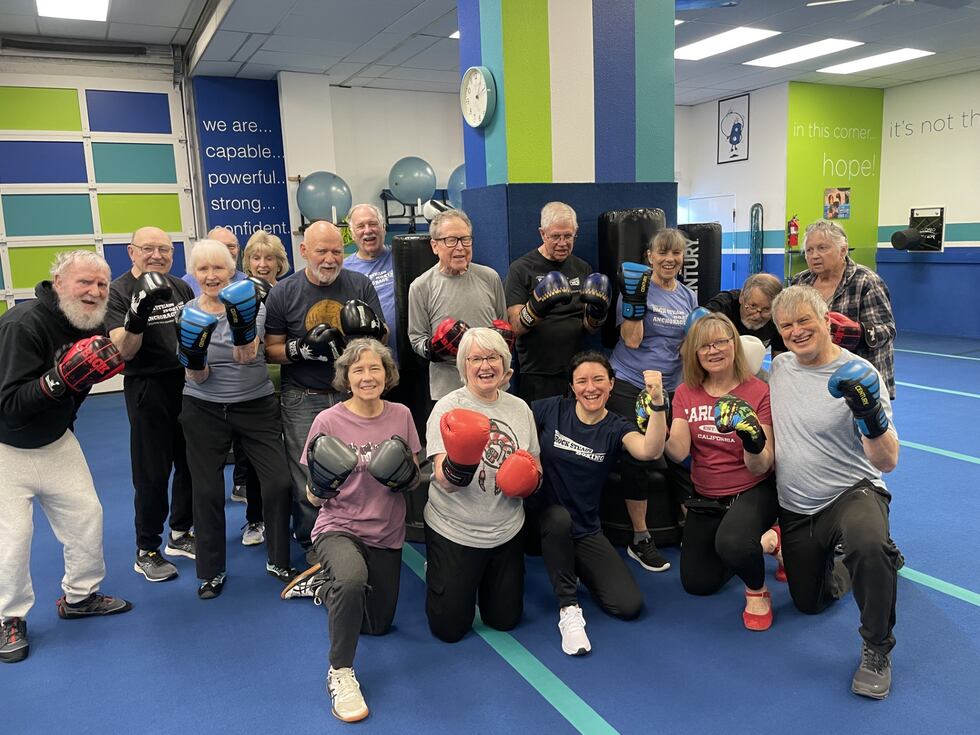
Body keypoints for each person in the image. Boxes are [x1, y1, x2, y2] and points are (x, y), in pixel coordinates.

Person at [0, 251, 133, 664]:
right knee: (13, 539)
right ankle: (8, 618)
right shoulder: (23, 325)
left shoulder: (83, 324)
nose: (94, 292)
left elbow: (72, 394)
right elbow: (8, 405)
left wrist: (65, 396)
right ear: (58, 283)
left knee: (85, 517)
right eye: (84, 283)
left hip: (56, 441)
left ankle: (80, 596)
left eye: (101, 285)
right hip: (6, 447)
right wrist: (58, 380)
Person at [769, 285, 901, 699]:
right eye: (786, 325)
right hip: (797, 505)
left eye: (805, 320)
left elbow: (887, 462)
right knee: (810, 601)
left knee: (867, 542)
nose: (796, 331)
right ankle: (873, 558)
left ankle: (877, 648)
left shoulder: (861, 373)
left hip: (852, 490)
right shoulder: (778, 368)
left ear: (827, 320)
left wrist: (869, 414)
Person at [283, 339, 420, 723]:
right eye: (358, 370)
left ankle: (324, 586)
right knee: (351, 578)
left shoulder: (402, 415)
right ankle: (340, 672)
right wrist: (323, 486)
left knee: (376, 626)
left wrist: (404, 476)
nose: (367, 376)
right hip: (338, 526)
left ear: (387, 374)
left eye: (374, 368)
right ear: (346, 377)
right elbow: (311, 496)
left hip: (385, 531)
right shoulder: (328, 421)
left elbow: (411, 482)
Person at [644, 313, 780, 630]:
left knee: (732, 543)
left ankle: (757, 591)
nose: (713, 350)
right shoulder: (686, 393)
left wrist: (751, 436)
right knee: (698, 583)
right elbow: (678, 450)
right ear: (695, 353)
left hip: (752, 489)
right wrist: (657, 420)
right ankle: (768, 543)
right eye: (704, 345)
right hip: (706, 495)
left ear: (734, 344)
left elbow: (763, 463)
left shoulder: (758, 391)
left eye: (721, 341)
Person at [264, 220, 387, 561]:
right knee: (309, 471)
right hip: (305, 394)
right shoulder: (284, 292)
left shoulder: (359, 284)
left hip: (354, 396)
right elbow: (269, 349)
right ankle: (312, 544)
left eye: (337, 251)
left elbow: (383, 337)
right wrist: (299, 349)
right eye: (322, 251)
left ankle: (356, 533)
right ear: (303, 251)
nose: (331, 258)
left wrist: (373, 331)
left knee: (360, 467)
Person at [177, 239, 293, 599]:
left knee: (278, 482)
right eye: (203, 269)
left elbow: (247, 357)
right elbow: (196, 376)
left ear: (231, 270)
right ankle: (211, 572)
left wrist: (240, 323)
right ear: (195, 274)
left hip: (254, 403)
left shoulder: (253, 305)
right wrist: (195, 356)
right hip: (204, 406)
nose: (211, 276)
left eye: (218, 268)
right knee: (207, 490)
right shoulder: (187, 313)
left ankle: (278, 557)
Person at [530, 351, 667, 656]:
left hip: (584, 527)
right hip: (536, 518)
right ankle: (569, 610)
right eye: (582, 381)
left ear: (611, 384)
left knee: (628, 605)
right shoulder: (553, 409)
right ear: (572, 386)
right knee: (557, 519)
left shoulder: (617, 427)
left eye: (598, 380)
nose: (590, 387)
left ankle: (573, 561)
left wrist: (658, 402)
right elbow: (511, 419)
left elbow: (650, 450)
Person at [424, 328, 540, 643]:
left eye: (493, 358)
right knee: (448, 630)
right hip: (455, 529)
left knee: (505, 621)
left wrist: (527, 482)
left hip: (505, 531)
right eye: (476, 359)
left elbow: (535, 465)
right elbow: (444, 483)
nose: (485, 366)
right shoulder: (446, 408)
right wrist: (460, 462)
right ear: (464, 367)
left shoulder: (520, 409)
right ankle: (438, 569)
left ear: (505, 366)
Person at [107, 226, 196, 583]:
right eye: (148, 248)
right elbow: (122, 351)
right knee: (152, 471)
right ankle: (146, 549)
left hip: (185, 383)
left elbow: (192, 333)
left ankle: (180, 532)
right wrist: (138, 313)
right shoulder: (118, 292)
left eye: (165, 248)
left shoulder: (180, 286)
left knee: (190, 462)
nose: (157, 254)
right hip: (147, 386)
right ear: (132, 252)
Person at [607, 228, 698, 573]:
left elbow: (689, 344)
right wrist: (635, 302)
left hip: (673, 386)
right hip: (632, 381)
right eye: (663, 253)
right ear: (650, 257)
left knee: (682, 454)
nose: (670, 259)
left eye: (676, 253)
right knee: (639, 454)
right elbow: (631, 341)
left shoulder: (688, 297)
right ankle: (641, 537)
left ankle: (692, 527)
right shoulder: (638, 289)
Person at [504, 202, 610, 402]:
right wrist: (537, 306)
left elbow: (590, 328)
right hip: (537, 372)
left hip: (576, 370)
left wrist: (598, 312)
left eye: (568, 236)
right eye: (555, 236)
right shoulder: (521, 269)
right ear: (542, 234)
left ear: (575, 233)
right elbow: (514, 327)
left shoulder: (582, 268)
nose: (562, 243)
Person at [408, 209, 507, 402]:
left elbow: (501, 323)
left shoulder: (490, 277)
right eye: (451, 240)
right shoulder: (421, 286)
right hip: (448, 389)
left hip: (492, 385)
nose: (460, 247)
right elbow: (416, 338)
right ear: (435, 246)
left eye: (465, 239)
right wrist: (433, 349)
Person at [791, 220, 896, 399]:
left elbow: (887, 330)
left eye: (822, 248)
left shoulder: (866, 281)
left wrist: (858, 332)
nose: (814, 255)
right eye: (809, 250)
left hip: (860, 377)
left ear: (843, 250)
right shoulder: (800, 283)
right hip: (817, 373)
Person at [231, 230, 290, 543]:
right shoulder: (237, 293)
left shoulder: (289, 291)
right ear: (248, 262)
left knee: (290, 453)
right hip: (253, 384)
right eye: (256, 257)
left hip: (288, 381)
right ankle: (255, 518)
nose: (263, 264)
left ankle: (292, 513)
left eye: (270, 258)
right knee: (255, 456)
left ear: (280, 263)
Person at [343, 204, 399, 365]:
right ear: (353, 234)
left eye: (373, 224)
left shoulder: (401, 256)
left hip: (408, 359)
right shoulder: (344, 269)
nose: (367, 230)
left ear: (383, 228)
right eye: (360, 226)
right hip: (368, 362)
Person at [705, 273, 786, 356]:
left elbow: (780, 358)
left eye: (766, 309)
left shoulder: (779, 316)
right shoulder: (720, 308)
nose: (757, 316)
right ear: (741, 297)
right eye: (753, 306)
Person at [182, 226, 247, 296]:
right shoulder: (186, 284)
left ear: (238, 248)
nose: (226, 251)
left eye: (231, 246)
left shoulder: (246, 282)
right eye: (218, 246)